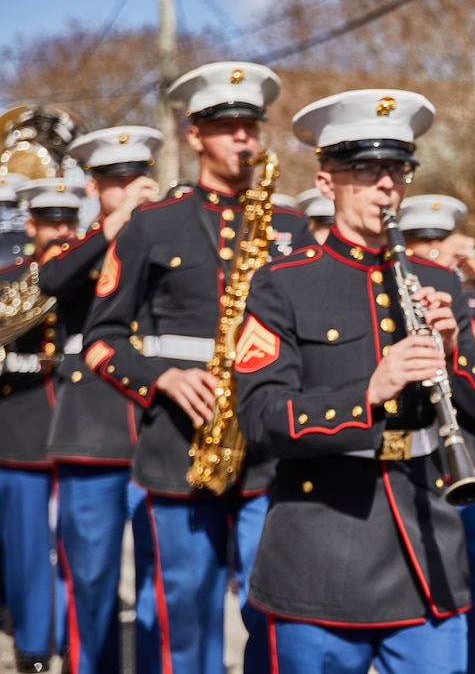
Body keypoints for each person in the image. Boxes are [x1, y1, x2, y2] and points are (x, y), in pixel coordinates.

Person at [233, 88, 475, 674]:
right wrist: (369, 392)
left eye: (397, 169)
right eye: (365, 169)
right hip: (319, 551)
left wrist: (456, 349)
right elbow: (261, 419)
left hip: (425, 548)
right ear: (328, 182)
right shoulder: (284, 285)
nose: (387, 184)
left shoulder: (437, 280)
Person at [81, 61, 313, 674]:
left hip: (269, 453)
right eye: (226, 126)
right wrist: (164, 378)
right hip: (180, 451)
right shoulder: (151, 227)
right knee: (182, 620)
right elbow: (101, 342)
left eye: (251, 126)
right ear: (194, 135)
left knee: (277, 615)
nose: (243, 138)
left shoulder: (291, 228)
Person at [41, 125, 162, 674]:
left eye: (138, 178)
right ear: (94, 188)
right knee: (91, 581)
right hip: (92, 432)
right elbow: (53, 280)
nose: (131, 189)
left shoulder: (172, 237)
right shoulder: (79, 247)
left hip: (161, 429)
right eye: (117, 182)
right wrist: (111, 230)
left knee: (166, 585)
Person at [400, 192, 475, 674]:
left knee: (471, 574)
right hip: (398, 466)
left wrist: (453, 349)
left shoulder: (450, 290)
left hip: (465, 457)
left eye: (440, 241)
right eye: (421, 241)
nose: (432, 252)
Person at [0, 177, 83, 673]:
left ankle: (76, 636)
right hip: (21, 431)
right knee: (29, 550)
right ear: (31, 225)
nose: (61, 230)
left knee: (82, 547)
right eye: (51, 221)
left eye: (68, 220)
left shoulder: (94, 275)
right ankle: (33, 646)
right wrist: (40, 366)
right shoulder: (10, 279)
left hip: (81, 426)